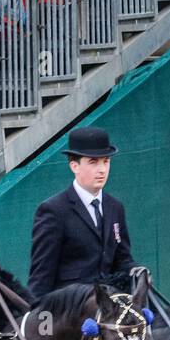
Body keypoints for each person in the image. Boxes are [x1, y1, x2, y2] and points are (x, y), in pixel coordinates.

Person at [27, 127, 134, 296]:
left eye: (106, 161)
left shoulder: (115, 207)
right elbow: (41, 277)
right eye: (93, 162)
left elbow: (122, 259)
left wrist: (136, 271)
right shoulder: (53, 210)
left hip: (109, 312)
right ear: (74, 166)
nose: (102, 169)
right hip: (71, 313)